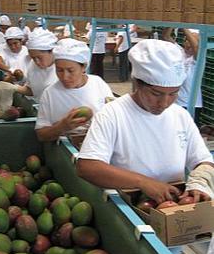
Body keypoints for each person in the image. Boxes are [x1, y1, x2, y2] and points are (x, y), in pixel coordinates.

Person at [77, 39, 213, 206]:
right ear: (136, 83)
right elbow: (87, 167)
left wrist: (200, 182)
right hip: (130, 208)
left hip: (173, 209)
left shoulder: (180, 115)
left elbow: (203, 160)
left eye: (173, 94)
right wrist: (143, 182)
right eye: (156, 94)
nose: (164, 103)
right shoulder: (112, 114)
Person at [35, 38, 113, 142]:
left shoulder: (98, 84)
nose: (64, 77)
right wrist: (62, 127)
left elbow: (113, 117)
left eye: (70, 70)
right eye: (59, 70)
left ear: (83, 67)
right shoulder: (50, 93)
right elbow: (41, 135)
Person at [162, 27, 203, 124]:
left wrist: (184, 27)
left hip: (191, 105)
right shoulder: (179, 51)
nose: (189, 44)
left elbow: (196, 47)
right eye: (186, 41)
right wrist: (174, 22)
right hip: (176, 102)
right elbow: (165, 36)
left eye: (191, 41)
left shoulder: (198, 58)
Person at [15, 28, 59, 102]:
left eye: (39, 57)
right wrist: (14, 88)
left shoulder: (62, 68)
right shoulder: (32, 65)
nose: (36, 62)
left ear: (52, 51)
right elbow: (31, 90)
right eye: (33, 57)